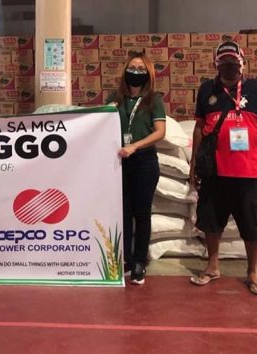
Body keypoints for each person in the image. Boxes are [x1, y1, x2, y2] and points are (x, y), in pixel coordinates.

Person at [189, 41, 257, 295]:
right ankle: (212, 266)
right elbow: (198, 127)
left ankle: (252, 272)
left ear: (242, 63)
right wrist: (194, 162)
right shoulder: (207, 89)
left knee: (252, 223)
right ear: (216, 64)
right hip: (213, 170)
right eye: (224, 62)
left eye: (233, 62)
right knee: (211, 221)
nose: (229, 66)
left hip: (247, 171)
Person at [107, 51, 166, 285]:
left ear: (149, 73)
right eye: (133, 67)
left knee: (142, 214)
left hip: (144, 162)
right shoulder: (116, 97)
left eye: (142, 69)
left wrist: (135, 146)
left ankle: (141, 261)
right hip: (119, 162)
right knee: (123, 212)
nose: (136, 72)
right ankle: (127, 260)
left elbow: (160, 132)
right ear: (125, 70)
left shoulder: (154, 99)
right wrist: (107, 111)